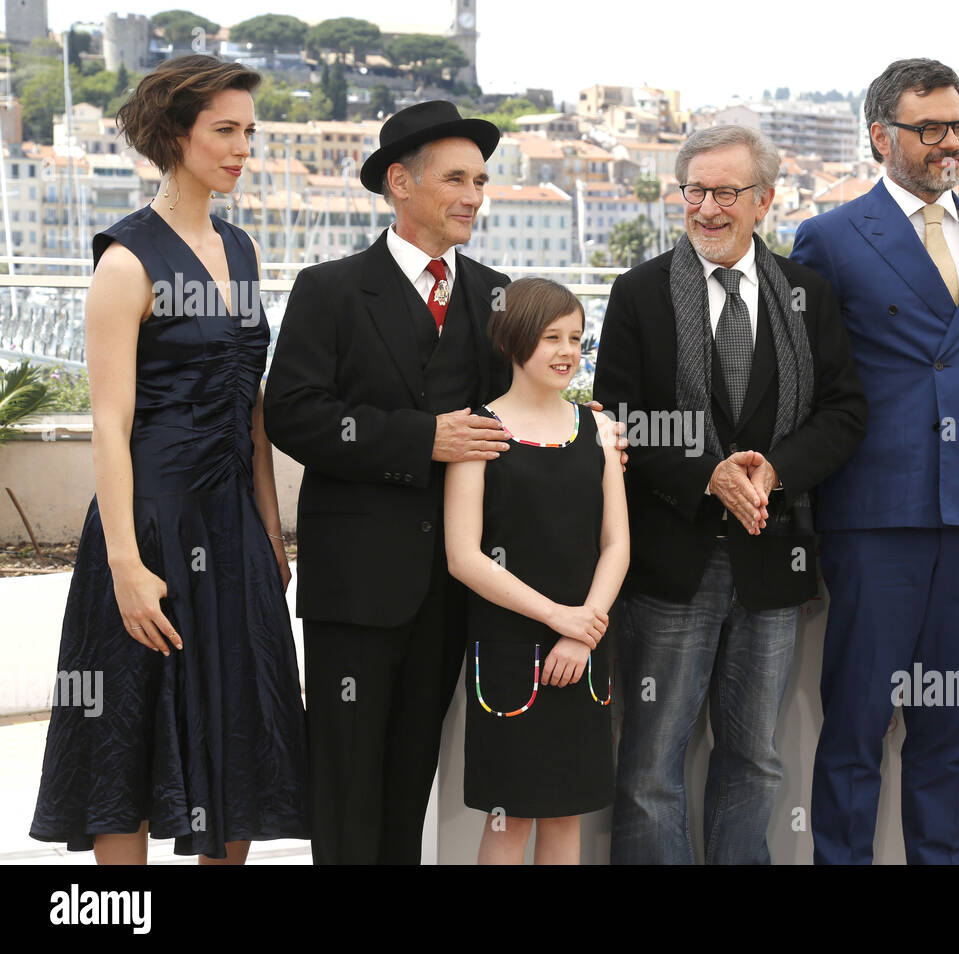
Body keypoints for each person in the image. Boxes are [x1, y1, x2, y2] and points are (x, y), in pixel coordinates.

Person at [29, 54, 309, 864]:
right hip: (147, 524)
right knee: (130, 733)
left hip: (234, 529)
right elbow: (108, 426)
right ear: (172, 135)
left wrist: (268, 531)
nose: (241, 148)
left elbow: (250, 405)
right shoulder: (125, 261)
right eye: (224, 131)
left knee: (240, 734)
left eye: (247, 132)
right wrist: (122, 563)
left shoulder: (242, 249)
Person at [595, 124, 868, 864]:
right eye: (695, 191)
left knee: (755, 759)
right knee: (652, 765)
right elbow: (615, 417)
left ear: (766, 202)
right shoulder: (639, 293)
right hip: (669, 564)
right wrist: (704, 471)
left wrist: (773, 471)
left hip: (770, 560)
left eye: (726, 192)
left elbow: (844, 411)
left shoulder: (809, 295)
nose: (707, 208)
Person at [263, 101, 514, 865]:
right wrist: (423, 438)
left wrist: (593, 443)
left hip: (453, 585)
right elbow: (294, 416)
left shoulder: (498, 294)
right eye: (456, 178)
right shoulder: (329, 289)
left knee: (412, 782)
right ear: (399, 182)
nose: (474, 195)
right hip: (357, 589)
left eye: (480, 179)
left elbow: (514, 423)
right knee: (344, 784)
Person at [791, 58, 959, 864]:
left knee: (949, 726)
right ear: (881, 135)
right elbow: (803, 380)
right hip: (874, 513)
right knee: (855, 722)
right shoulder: (826, 236)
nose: (948, 143)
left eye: (958, 126)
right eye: (929, 129)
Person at [444, 278, 629, 865]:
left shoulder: (597, 430)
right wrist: (560, 620)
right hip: (510, 651)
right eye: (552, 336)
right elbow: (464, 556)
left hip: (586, 649)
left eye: (575, 337)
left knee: (566, 812)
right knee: (510, 816)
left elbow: (617, 543)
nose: (567, 351)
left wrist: (582, 629)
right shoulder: (479, 431)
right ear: (515, 340)